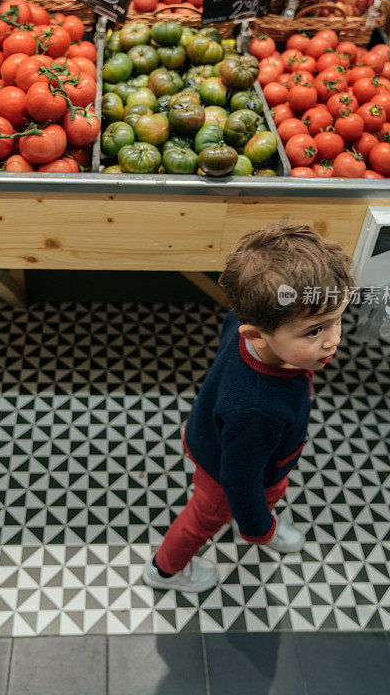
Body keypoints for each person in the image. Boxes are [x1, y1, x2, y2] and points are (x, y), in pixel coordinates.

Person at [143, 223, 353, 593]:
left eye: (337, 319)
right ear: (255, 334)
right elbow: (239, 481)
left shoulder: (245, 322)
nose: (334, 339)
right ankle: (165, 570)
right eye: (314, 331)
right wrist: (257, 526)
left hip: (210, 433)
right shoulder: (258, 409)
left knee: (255, 493)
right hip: (227, 474)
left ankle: (263, 512)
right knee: (202, 520)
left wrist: (308, 339)